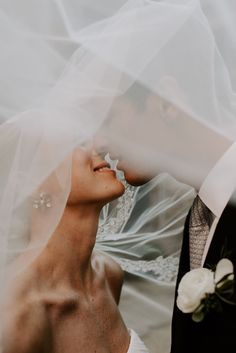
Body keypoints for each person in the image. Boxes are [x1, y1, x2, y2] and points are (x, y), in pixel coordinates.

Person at [1, 146, 150, 353]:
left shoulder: (109, 275)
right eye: (74, 142)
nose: (99, 147)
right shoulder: (17, 313)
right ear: (34, 184)